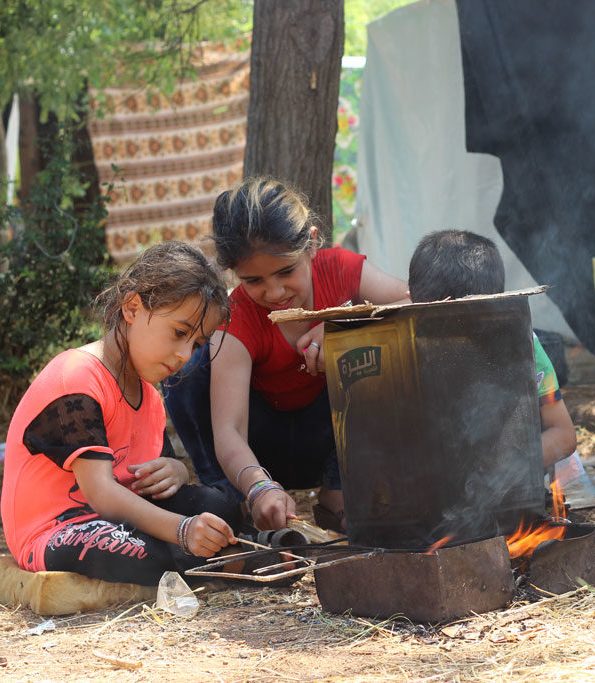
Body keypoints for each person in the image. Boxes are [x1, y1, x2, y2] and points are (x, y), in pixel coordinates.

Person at [163, 177, 410, 533]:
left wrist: (347, 328)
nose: (275, 291)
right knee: (189, 365)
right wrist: (259, 487)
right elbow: (230, 430)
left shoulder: (340, 270)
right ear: (235, 275)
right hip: (261, 452)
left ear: (311, 244)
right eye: (254, 281)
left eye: (286, 271)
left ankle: (339, 492)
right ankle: (229, 498)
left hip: (329, 440)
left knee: (382, 341)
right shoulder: (239, 318)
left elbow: (418, 302)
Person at [0, 241, 241, 586]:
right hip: (59, 531)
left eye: (197, 344)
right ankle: (236, 564)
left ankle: (215, 557)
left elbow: (154, 481)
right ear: (131, 308)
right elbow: (101, 493)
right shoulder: (77, 377)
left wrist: (174, 469)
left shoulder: (150, 399)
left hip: (122, 521)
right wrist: (183, 530)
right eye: (179, 333)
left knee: (219, 505)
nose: (185, 354)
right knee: (146, 553)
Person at [407, 230, 578, 474]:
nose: (458, 338)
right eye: (441, 325)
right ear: (413, 304)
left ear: (496, 306)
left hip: (507, 475)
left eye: (471, 325)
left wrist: (500, 470)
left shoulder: (524, 346)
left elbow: (563, 435)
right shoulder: (399, 347)